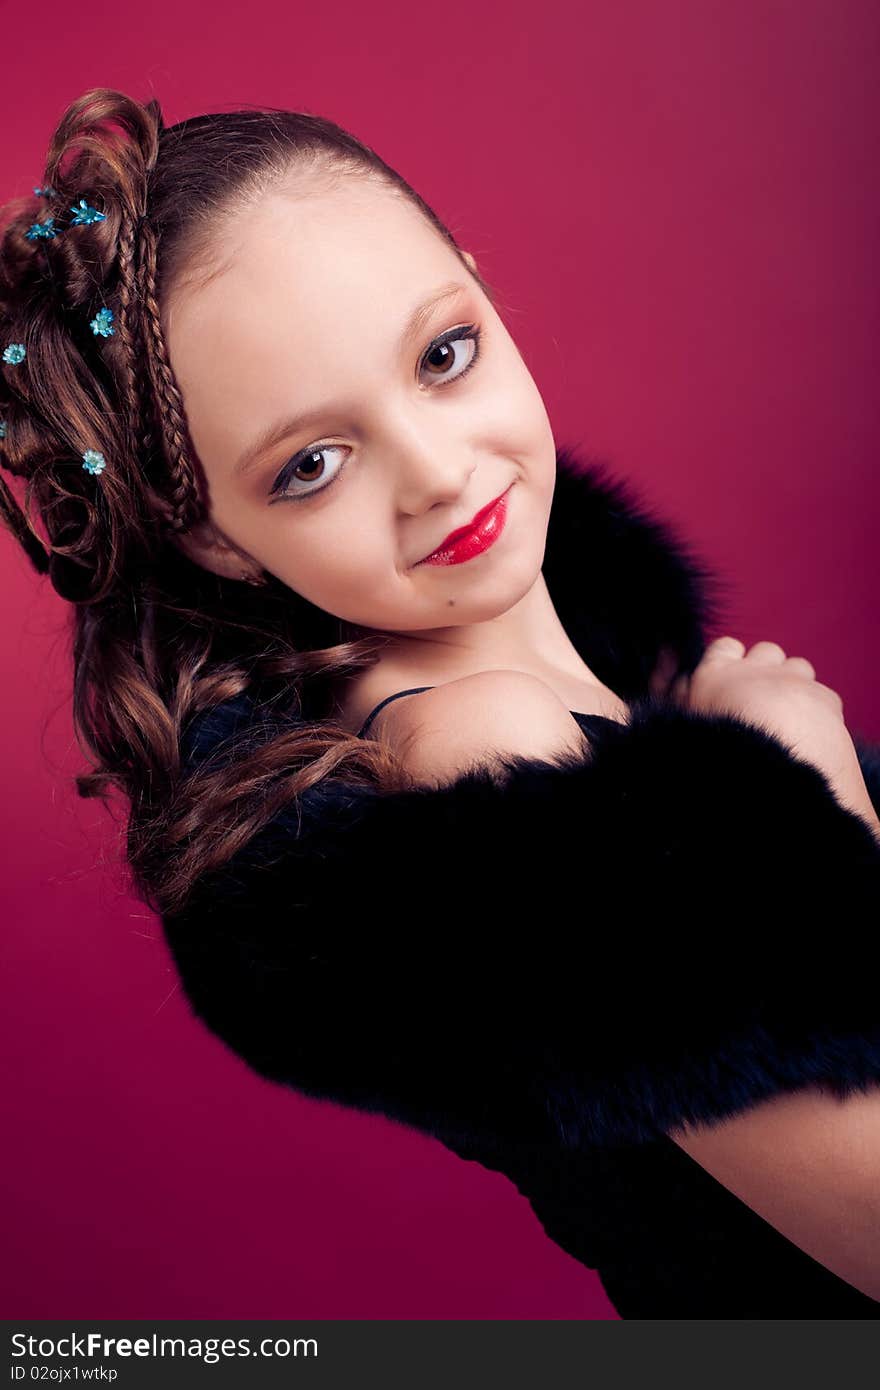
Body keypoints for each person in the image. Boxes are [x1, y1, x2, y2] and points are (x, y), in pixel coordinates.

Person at [2, 87, 879, 1318]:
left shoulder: (594, 674)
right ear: (210, 537)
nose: (435, 470)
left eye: (441, 353)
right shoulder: (483, 749)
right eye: (309, 466)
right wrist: (807, 786)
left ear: (476, 278)